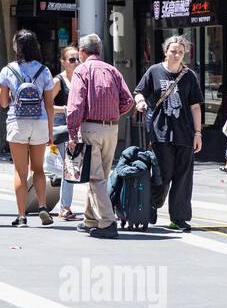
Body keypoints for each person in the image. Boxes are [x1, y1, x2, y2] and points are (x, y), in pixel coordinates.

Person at [65, 34, 136, 238]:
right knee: (99, 176)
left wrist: (72, 133)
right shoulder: (112, 70)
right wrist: (113, 113)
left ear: (81, 51)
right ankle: (90, 219)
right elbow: (128, 100)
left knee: (95, 177)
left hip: (90, 128)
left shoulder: (82, 70)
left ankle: (107, 222)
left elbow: (75, 106)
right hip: (111, 128)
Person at [134, 35, 203, 232]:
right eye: (173, 51)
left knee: (183, 178)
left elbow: (195, 107)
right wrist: (140, 101)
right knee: (161, 174)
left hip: (185, 134)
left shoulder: (189, 76)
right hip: (160, 132)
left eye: (181, 52)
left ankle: (179, 218)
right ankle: (151, 206)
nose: (176, 55)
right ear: (166, 51)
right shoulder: (154, 71)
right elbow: (139, 91)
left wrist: (198, 134)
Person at [0, 30, 57, 227]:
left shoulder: (8, 69)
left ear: (17, 47)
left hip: (17, 122)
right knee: (39, 169)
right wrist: (50, 131)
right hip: (39, 122)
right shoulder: (44, 70)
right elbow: (49, 104)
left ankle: (21, 216)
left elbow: (4, 103)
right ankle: (41, 207)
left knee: (20, 172)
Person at [51, 46, 82, 222]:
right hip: (62, 130)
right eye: (72, 59)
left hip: (77, 128)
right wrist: (64, 109)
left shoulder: (80, 79)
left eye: (78, 58)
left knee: (72, 168)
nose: (76, 62)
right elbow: (46, 105)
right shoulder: (58, 81)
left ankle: (65, 206)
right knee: (70, 167)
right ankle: (65, 208)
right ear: (63, 62)